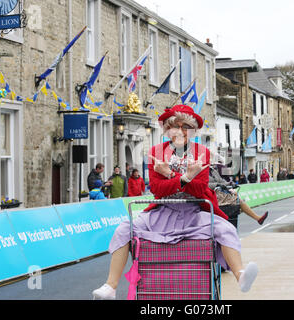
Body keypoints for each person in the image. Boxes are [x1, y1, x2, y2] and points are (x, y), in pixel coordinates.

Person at [92, 105, 258, 299]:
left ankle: (241, 275)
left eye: (186, 126)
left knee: (225, 229)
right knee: (123, 229)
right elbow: (157, 189)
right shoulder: (156, 151)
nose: (180, 131)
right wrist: (183, 178)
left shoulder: (201, 151)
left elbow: (200, 188)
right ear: (168, 129)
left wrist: (171, 175)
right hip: (163, 211)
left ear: (193, 130)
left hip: (194, 212)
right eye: (175, 126)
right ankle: (110, 286)